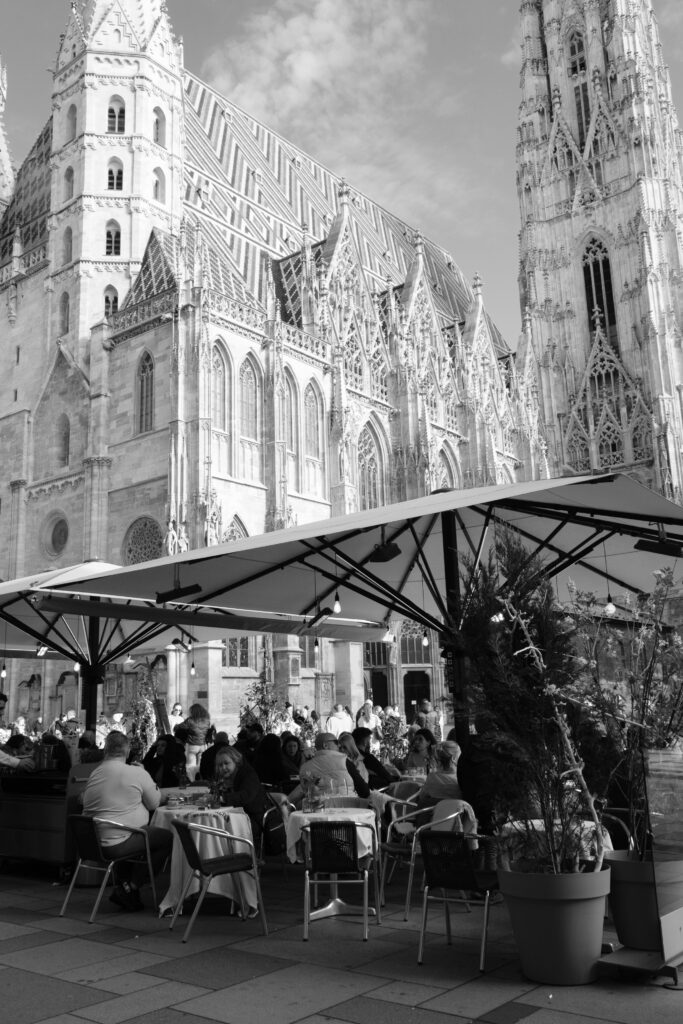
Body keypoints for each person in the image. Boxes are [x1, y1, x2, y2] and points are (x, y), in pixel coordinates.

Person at [82, 731, 172, 911]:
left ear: (106, 750)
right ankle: (131, 887)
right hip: (117, 844)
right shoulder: (136, 772)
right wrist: (144, 773)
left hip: (92, 843)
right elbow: (154, 803)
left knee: (137, 834)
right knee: (167, 838)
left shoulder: (95, 773)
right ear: (127, 750)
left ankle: (126, 887)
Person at [212, 745, 269, 842]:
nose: (223, 768)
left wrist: (223, 798)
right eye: (220, 765)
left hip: (254, 818)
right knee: (214, 826)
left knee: (220, 829)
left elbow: (245, 796)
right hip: (235, 816)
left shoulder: (248, 774)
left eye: (226, 763)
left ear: (236, 761)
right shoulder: (225, 777)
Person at [289, 732, 355, 805]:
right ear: (325, 745)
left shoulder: (305, 767)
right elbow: (361, 787)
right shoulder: (345, 760)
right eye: (336, 742)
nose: (339, 745)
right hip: (347, 806)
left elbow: (305, 790)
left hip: (319, 808)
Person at [416, 740, 463, 809]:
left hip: (434, 815)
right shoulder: (461, 779)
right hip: (456, 814)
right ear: (454, 758)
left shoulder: (431, 777)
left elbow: (422, 797)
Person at [182, 702, 212, 770]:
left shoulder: (190, 720)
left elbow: (180, 727)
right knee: (200, 767)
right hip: (203, 745)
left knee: (191, 767)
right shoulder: (207, 720)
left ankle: (192, 777)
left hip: (192, 745)